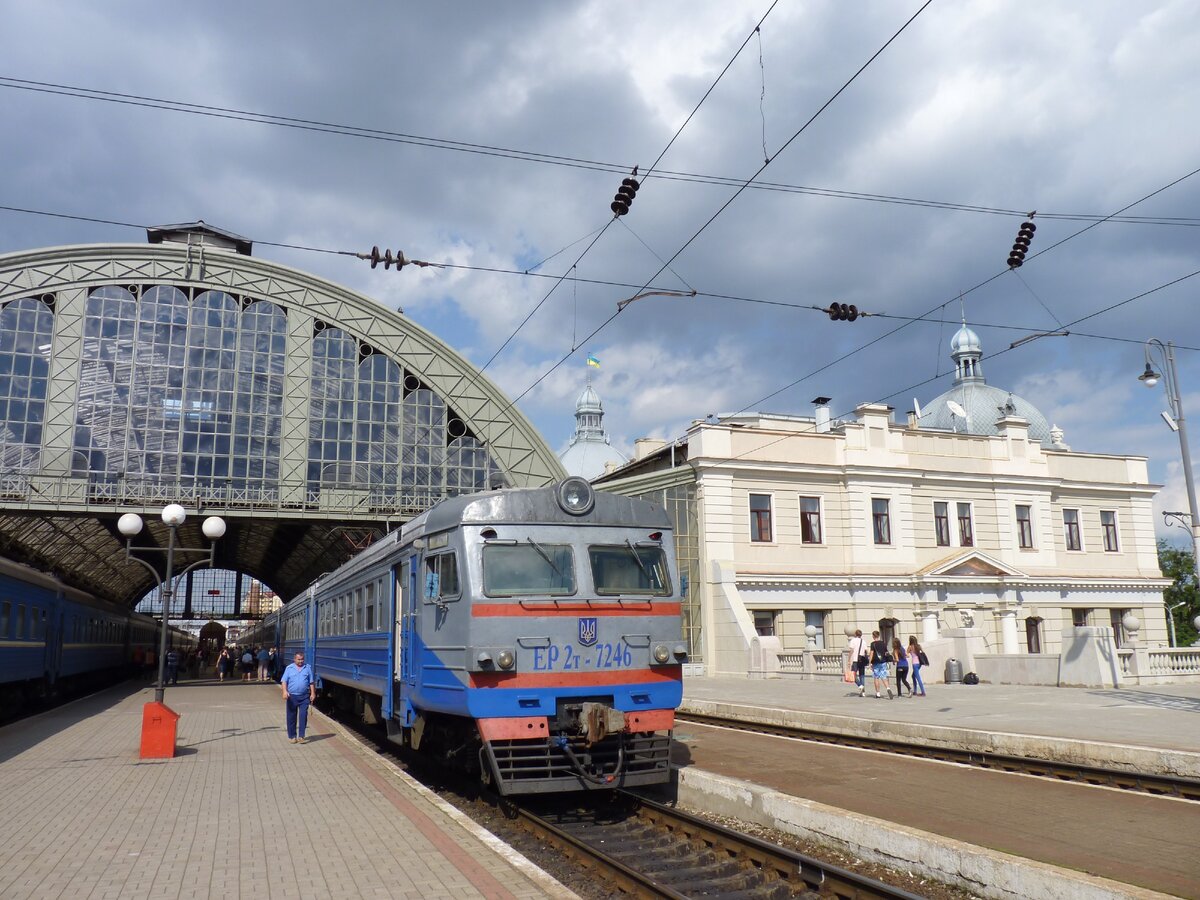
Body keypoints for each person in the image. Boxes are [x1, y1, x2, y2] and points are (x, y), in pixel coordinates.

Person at [280, 652, 316, 744]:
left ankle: (301, 736)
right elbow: (284, 681)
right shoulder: (289, 668)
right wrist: (284, 691)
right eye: (299, 659)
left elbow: (311, 682)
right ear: (294, 659)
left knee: (303, 715)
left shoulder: (307, 668)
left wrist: (313, 693)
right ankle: (292, 736)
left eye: (302, 659)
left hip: (304, 696)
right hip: (292, 696)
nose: (301, 661)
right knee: (291, 716)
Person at [869, 630, 892, 699]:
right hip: (883, 662)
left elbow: (871, 653)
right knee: (884, 676)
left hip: (876, 662)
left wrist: (869, 662)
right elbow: (886, 653)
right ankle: (888, 688)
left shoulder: (873, 644)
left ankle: (878, 693)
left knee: (876, 677)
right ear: (879, 636)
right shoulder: (883, 643)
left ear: (873, 636)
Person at [847, 629, 867, 697]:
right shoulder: (863, 641)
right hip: (862, 660)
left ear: (855, 634)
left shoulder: (853, 640)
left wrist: (849, 659)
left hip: (855, 660)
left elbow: (851, 650)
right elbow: (865, 651)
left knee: (853, 675)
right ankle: (863, 692)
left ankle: (860, 686)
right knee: (862, 675)